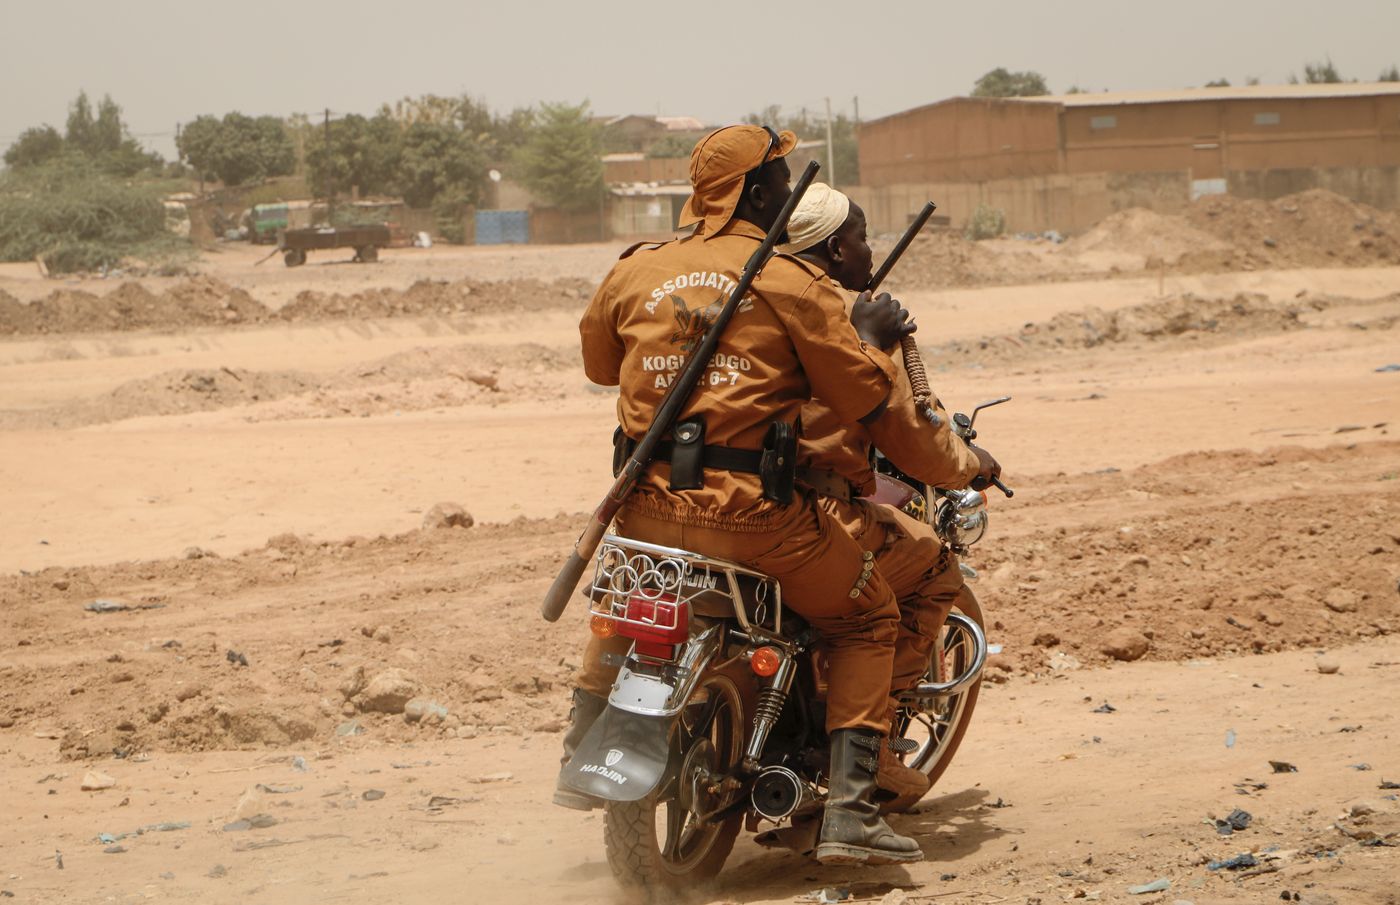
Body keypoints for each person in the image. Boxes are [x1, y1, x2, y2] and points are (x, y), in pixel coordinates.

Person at [557, 124, 922, 866]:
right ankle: (851, 809)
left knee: (622, 611)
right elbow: (858, 391)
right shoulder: (789, 278)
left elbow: (602, 365)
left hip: (645, 513)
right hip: (756, 519)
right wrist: (877, 346)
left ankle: (579, 740)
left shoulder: (634, 270)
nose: (790, 197)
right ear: (759, 193)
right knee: (868, 617)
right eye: (783, 184)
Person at [778, 184, 1002, 812]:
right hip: (795, 513)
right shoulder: (833, 323)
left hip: (685, 498)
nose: (869, 247)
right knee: (924, 571)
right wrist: (969, 464)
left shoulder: (746, 303)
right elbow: (911, 437)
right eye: (861, 236)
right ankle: (864, 760)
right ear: (833, 246)